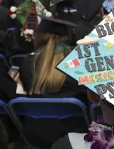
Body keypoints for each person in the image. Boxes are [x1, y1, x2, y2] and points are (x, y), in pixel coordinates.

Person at [18, 16, 89, 148]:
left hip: (35, 135)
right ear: (65, 37)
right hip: (74, 136)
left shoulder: (28, 61)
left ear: (39, 36)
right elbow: (88, 97)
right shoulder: (79, 62)